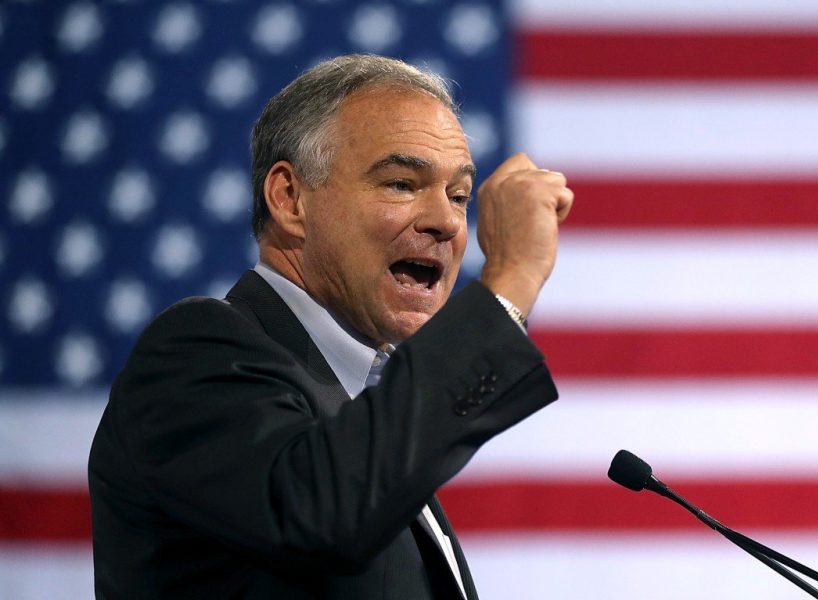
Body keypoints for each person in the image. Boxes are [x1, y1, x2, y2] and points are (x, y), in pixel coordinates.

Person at [88, 53, 573, 599]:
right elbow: (322, 513)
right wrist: (509, 282)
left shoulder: (365, 409)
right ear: (289, 199)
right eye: (401, 183)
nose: (446, 223)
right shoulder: (195, 353)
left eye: (458, 196)